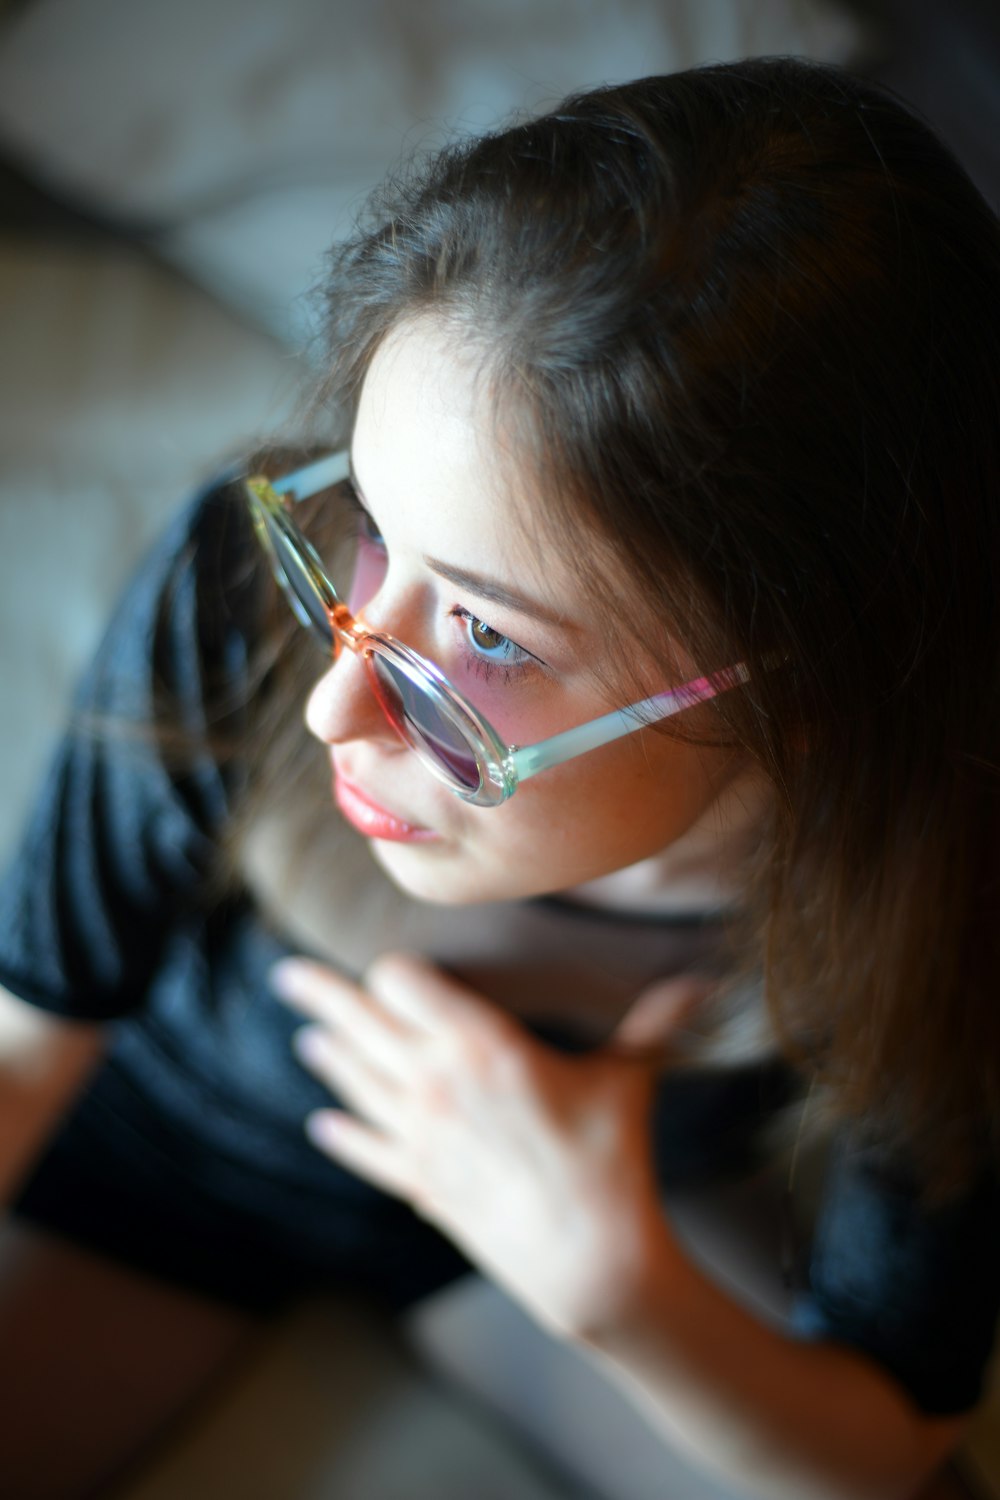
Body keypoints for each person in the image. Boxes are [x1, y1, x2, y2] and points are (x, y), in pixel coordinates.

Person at [0, 54, 997, 1500]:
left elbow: (882, 1443)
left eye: (482, 633)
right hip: (179, 1149)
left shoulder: (943, 898)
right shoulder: (235, 591)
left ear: (807, 700)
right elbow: (23, 1053)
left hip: (585, 1213)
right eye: (366, 519)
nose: (341, 695)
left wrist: (606, 1279)